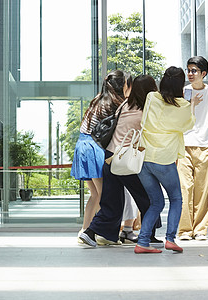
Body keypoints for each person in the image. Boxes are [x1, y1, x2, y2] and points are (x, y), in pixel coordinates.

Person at [79, 74, 158, 247]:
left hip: (110, 157)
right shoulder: (146, 110)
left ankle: (91, 233)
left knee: (111, 201)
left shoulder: (124, 105)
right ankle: (147, 235)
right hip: (126, 160)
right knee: (148, 198)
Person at [135, 66, 202, 254]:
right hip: (163, 159)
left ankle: (142, 242)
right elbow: (188, 125)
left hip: (144, 159)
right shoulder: (183, 106)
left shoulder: (151, 97)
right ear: (180, 84)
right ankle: (170, 239)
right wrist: (193, 105)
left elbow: (144, 121)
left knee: (156, 202)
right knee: (176, 198)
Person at [71, 70, 131, 240]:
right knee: (106, 195)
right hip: (93, 147)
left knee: (95, 194)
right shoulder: (114, 103)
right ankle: (99, 234)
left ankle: (84, 231)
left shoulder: (98, 99)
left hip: (82, 145)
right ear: (122, 86)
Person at [177, 56, 208, 241]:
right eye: (188, 70)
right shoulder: (183, 92)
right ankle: (184, 230)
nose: (190, 73)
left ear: (203, 73)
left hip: (205, 147)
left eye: (194, 71)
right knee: (184, 188)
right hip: (183, 146)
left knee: (203, 190)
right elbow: (179, 119)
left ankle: (200, 229)